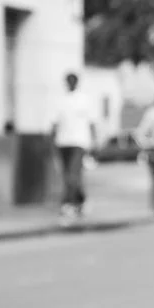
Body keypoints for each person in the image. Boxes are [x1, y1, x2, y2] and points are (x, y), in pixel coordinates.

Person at [50, 72, 99, 222]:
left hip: (80, 142)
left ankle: (68, 205)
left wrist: (94, 143)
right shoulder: (61, 100)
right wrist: (51, 142)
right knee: (68, 176)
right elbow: (55, 123)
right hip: (63, 142)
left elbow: (91, 123)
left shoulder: (84, 100)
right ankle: (82, 201)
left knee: (72, 174)